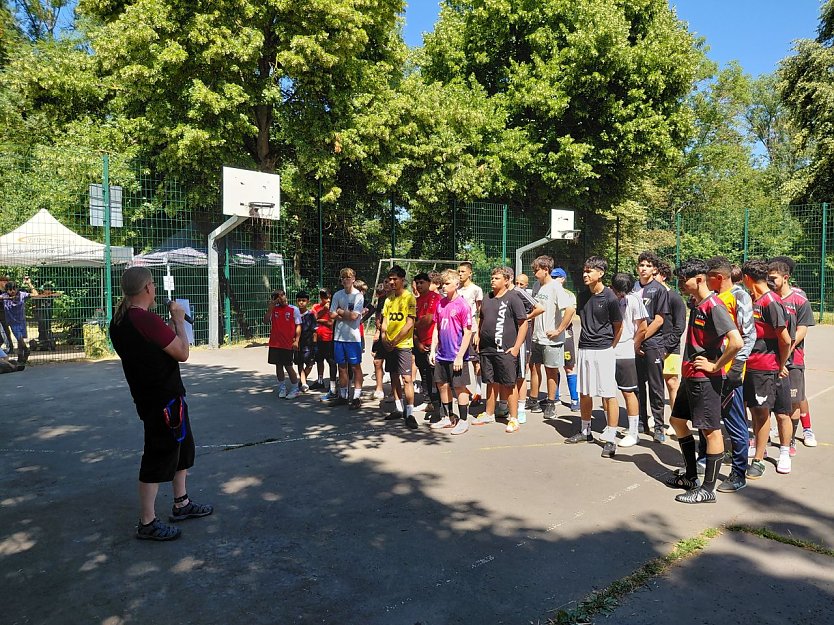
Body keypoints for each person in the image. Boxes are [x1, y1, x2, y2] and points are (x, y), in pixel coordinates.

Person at [109, 266, 213, 541]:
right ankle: (147, 521)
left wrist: (167, 327)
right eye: (153, 285)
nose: (155, 289)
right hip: (162, 399)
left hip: (153, 395)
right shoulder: (144, 319)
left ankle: (181, 503)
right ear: (147, 288)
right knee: (159, 454)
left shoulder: (120, 320)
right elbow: (182, 352)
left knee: (182, 447)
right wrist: (179, 321)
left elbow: (152, 347)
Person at [664, 259, 742, 504]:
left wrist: (715, 366)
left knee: (711, 431)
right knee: (677, 421)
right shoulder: (697, 303)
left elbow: (736, 342)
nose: (680, 285)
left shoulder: (714, 306)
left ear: (699, 279)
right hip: (690, 376)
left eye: (683, 280)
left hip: (705, 379)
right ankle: (690, 477)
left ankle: (708, 489)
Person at [697, 256, 755, 493]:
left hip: (729, 371)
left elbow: (748, 335)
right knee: (707, 418)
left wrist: (736, 366)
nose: (704, 281)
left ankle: (739, 473)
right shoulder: (710, 298)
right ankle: (705, 459)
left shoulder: (740, 296)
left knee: (735, 423)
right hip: (709, 369)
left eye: (708, 277)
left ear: (718, 277)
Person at [566, 256, 622, 458]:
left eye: (589, 271)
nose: (585, 274)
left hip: (604, 350)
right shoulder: (582, 296)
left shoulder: (610, 298)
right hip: (584, 349)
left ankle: (611, 438)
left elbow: (618, 326)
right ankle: (586, 431)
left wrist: (609, 347)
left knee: (608, 394)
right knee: (584, 392)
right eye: (584, 270)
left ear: (601, 273)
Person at [742, 259, 791, 481]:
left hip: (765, 366)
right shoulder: (753, 299)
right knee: (752, 410)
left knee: (762, 412)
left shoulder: (771, 302)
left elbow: (785, 339)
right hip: (749, 364)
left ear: (747, 278)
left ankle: (759, 460)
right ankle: (752, 447)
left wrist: (781, 365)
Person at [768, 260, 815, 472]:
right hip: (769, 360)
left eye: (773, 278)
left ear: (785, 278)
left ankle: (792, 439)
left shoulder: (799, 300)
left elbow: (802, 329)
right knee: (768, 403)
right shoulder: (768, 299)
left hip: (792, 360)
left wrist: (786, 348)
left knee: (793, 402)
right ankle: (763, 438)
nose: (769, 282)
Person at [471, 266, 528, 432]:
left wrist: (516, 347)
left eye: (497, 278)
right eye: (492, 277)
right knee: (490, 382)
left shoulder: (513, 298)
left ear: (506, 280)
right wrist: (478, 335)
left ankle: (514, 418)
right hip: (487, 349)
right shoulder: (487, 298)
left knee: (509, 383)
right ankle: (489, 413)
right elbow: (482, 319)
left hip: (505, 350)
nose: (493, 280)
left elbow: (523, 323)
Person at [429, 269, 473, 435]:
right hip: (442, 354)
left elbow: (467, 332)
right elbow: (436, 328)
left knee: (460, 387)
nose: (444, 287)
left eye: (447, 283)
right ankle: (448, 417)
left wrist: (460, 356)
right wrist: (432, 350)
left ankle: (463, 420)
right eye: (443, 284)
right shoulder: (440, 304)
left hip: (456, 355)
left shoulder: (462, 305)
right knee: (442, 385)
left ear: (456, 284)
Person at [530, 256, 575, 420]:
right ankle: (533, 400)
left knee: (551, 370)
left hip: (551, 339)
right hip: (537, 337)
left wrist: (559, 330)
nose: (534, 273)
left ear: (546, 270)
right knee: (534, 368)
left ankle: (551, 403)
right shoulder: (536, 285)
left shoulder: (556, 287)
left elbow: (570, 309)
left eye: (537, 270)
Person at [633, 251, 670, 442]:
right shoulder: (633, 288)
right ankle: (641, 420)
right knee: (637, 384)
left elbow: (659, 320)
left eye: (648, 266)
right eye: (642, 265)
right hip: (634, 343)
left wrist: (639, 339)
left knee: (656, 386)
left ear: (654, 269)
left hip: (653, 343)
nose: (644, 269)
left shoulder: (659, 290)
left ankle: (658, 425)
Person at [610, 272, 648, 447]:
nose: (621, 295)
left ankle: (633, 432)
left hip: (625, 352)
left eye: (623, 291)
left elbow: (642, 327)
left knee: (628, 391)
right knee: (608, 391)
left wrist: (633, 344)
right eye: (618, 291)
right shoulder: (609, 297)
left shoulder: (634, 300)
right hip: (608, 350)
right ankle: (610, 427)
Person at [381, 265, 418, 428]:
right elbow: (384, 322)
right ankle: (398, 408)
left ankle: (410, 413)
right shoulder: (389, 299)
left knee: (407, 378)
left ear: (402, 280)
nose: (392, 282)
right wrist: (384, 338)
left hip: (403, 344)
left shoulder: (409, 298)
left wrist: (395, 340)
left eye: (395, 279)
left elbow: (410, 323)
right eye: (390, 279)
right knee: (394, 376)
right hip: (389, 344)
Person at [330, 268, 365, 409]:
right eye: (343, 278)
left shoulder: (358, 296)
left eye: (348, 277)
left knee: (356, 367)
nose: (346, 280)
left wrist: (340, 311)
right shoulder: (337, 295)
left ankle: (356, 397)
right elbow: (331, 314)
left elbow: (354, 316)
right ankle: (343, 396)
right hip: (339, 337)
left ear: (353, 279)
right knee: (342, 367)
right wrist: (344, 314)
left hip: (353, 338)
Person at [656, 262, 686, 412]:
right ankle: (656, 417)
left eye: (655, 274)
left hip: (670, 348)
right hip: (653, 346)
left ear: (664, 276)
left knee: (672, 382)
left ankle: (675, 418)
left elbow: (679, 327)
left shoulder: (675, 298)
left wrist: (666, 347)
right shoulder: (650, 296)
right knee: (655, 384)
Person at [413, 272, 442, 417]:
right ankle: (427, 400)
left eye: (422, 282)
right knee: (423, 371)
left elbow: (430, 318)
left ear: (429, 283)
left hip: (432, 341)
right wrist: (417, 341)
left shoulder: (434, 298)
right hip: (420, 341)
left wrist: (414, 324)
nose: (419, 285)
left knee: (434, 373)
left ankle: (439, 404)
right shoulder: (415, 301)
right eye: (417, 283)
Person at [264, 289, 302, 399]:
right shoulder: (273, 309)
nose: (282, 298)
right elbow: (265, 321)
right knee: (278, 366)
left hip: (287, 343)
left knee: (288, 366)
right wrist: (270, 308)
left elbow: (298, 325)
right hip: (275, 343)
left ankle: (295, 388)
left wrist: (296, 340)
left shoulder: (293, 309)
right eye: (278, 297)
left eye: (283, 295)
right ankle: (282, 387)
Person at [458, 262, 484, 403]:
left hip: (471, 329)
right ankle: (463, 390)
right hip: (458, 330)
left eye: (463, 271)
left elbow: (481, 312)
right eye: (459, 271)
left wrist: (478, 332)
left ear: (470, 273)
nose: (460, 274)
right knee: (460, 360)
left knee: (476, 362)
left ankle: (478, 392)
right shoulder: (456, 289)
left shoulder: (476, 290)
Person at [1, 279, 35, 363]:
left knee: (20, 340)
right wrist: (8, 298)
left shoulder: (22, 294)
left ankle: (21, 356)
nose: (12, 291)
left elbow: (35, 294)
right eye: (10, 290)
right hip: (12, 322)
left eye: (14, 289)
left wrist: (29, 284)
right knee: (19, 339)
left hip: (21, 321)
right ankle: (25, 351)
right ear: (7, 290)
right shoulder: (4, 295)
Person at [311, 288, 337, 399]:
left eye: (329, 298)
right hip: (318, 338)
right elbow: (313, 318)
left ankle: (333, 385)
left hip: (329, 338)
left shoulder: (333, 307)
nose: (327, 300)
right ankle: (320, 380)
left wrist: (319, 320)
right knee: (319, 360)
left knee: (331, 361)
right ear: (321, 298)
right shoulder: (316, 307)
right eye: (325, 298)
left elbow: (330, 323)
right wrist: (323, 311)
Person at [294, 291, 317, 392]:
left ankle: (303, 379)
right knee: (300, 363)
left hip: (309, 344)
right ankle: (303, 383)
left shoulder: (311, 315)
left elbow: (314, 331)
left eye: (303, 300)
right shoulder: (294, 314)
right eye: (299, 300)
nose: (301, 302)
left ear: (308, 301)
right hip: (298, 343)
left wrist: (315, 344)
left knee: (310, 364)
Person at [371, 282, 390, 400]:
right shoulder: (382, 299)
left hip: (393, 335)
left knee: (393, 365)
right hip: (381, 334)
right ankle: (379, 388)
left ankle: (394, 392)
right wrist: (377, 330)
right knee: (377, 361)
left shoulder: (399, 298)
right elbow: (378, 315)